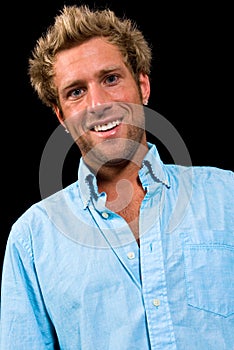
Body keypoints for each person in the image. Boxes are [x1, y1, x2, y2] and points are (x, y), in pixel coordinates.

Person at [1, 4, 233, 349]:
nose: (98, 103)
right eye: (76, 92)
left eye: (110, 79)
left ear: (143, 86)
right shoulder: (31, 241)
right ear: (62, 117)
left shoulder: (227, 195)